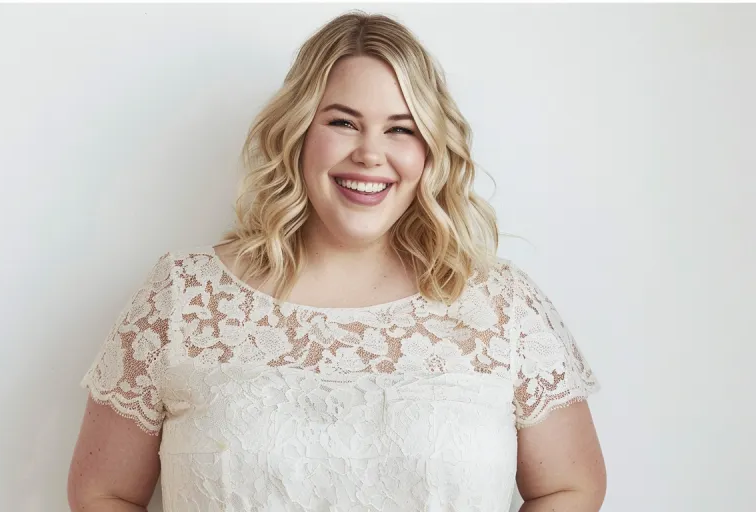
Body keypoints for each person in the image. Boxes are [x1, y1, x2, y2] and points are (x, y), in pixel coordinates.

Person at [67, 10, 605, 512]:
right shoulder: (183, 298)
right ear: (299, 133)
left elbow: (570, 486)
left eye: (401, 128)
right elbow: (102, 491)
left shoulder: (503, 307)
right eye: (343, 122)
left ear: (430, 150)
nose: (370, 153)